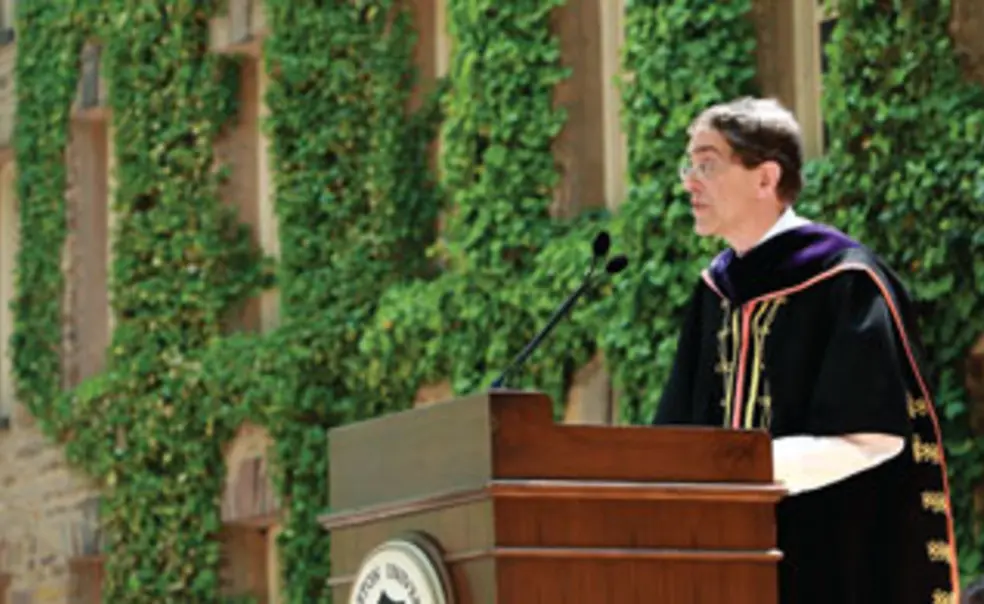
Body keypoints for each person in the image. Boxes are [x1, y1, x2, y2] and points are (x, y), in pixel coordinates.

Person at [652, 97, 959, 604]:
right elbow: (674, 436)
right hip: (724, 562)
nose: (689, 182)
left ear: (765, 178)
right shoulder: (715, 292)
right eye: (690, 165)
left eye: (707, 164)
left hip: (827, 558)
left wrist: (742, 467)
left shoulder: (844, 280)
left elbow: (874, 438)